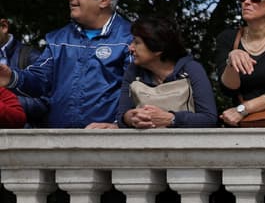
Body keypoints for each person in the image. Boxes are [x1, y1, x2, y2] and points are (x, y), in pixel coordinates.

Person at [0, 0, 131, 128]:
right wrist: (11, 77)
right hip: (60, 142)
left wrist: (119, 125)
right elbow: (41, 81)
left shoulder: (129, 39)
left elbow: (136, 89)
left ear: (103, 1)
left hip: (111, 142)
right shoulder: (59, 39)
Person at [88, 14, 217, 129]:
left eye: (137, 42)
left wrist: (171, 119)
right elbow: (122, 116)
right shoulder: (133, 71)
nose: (130, 48)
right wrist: (130, 117)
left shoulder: (191, 70)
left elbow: (209, 119)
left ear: (157, 48)